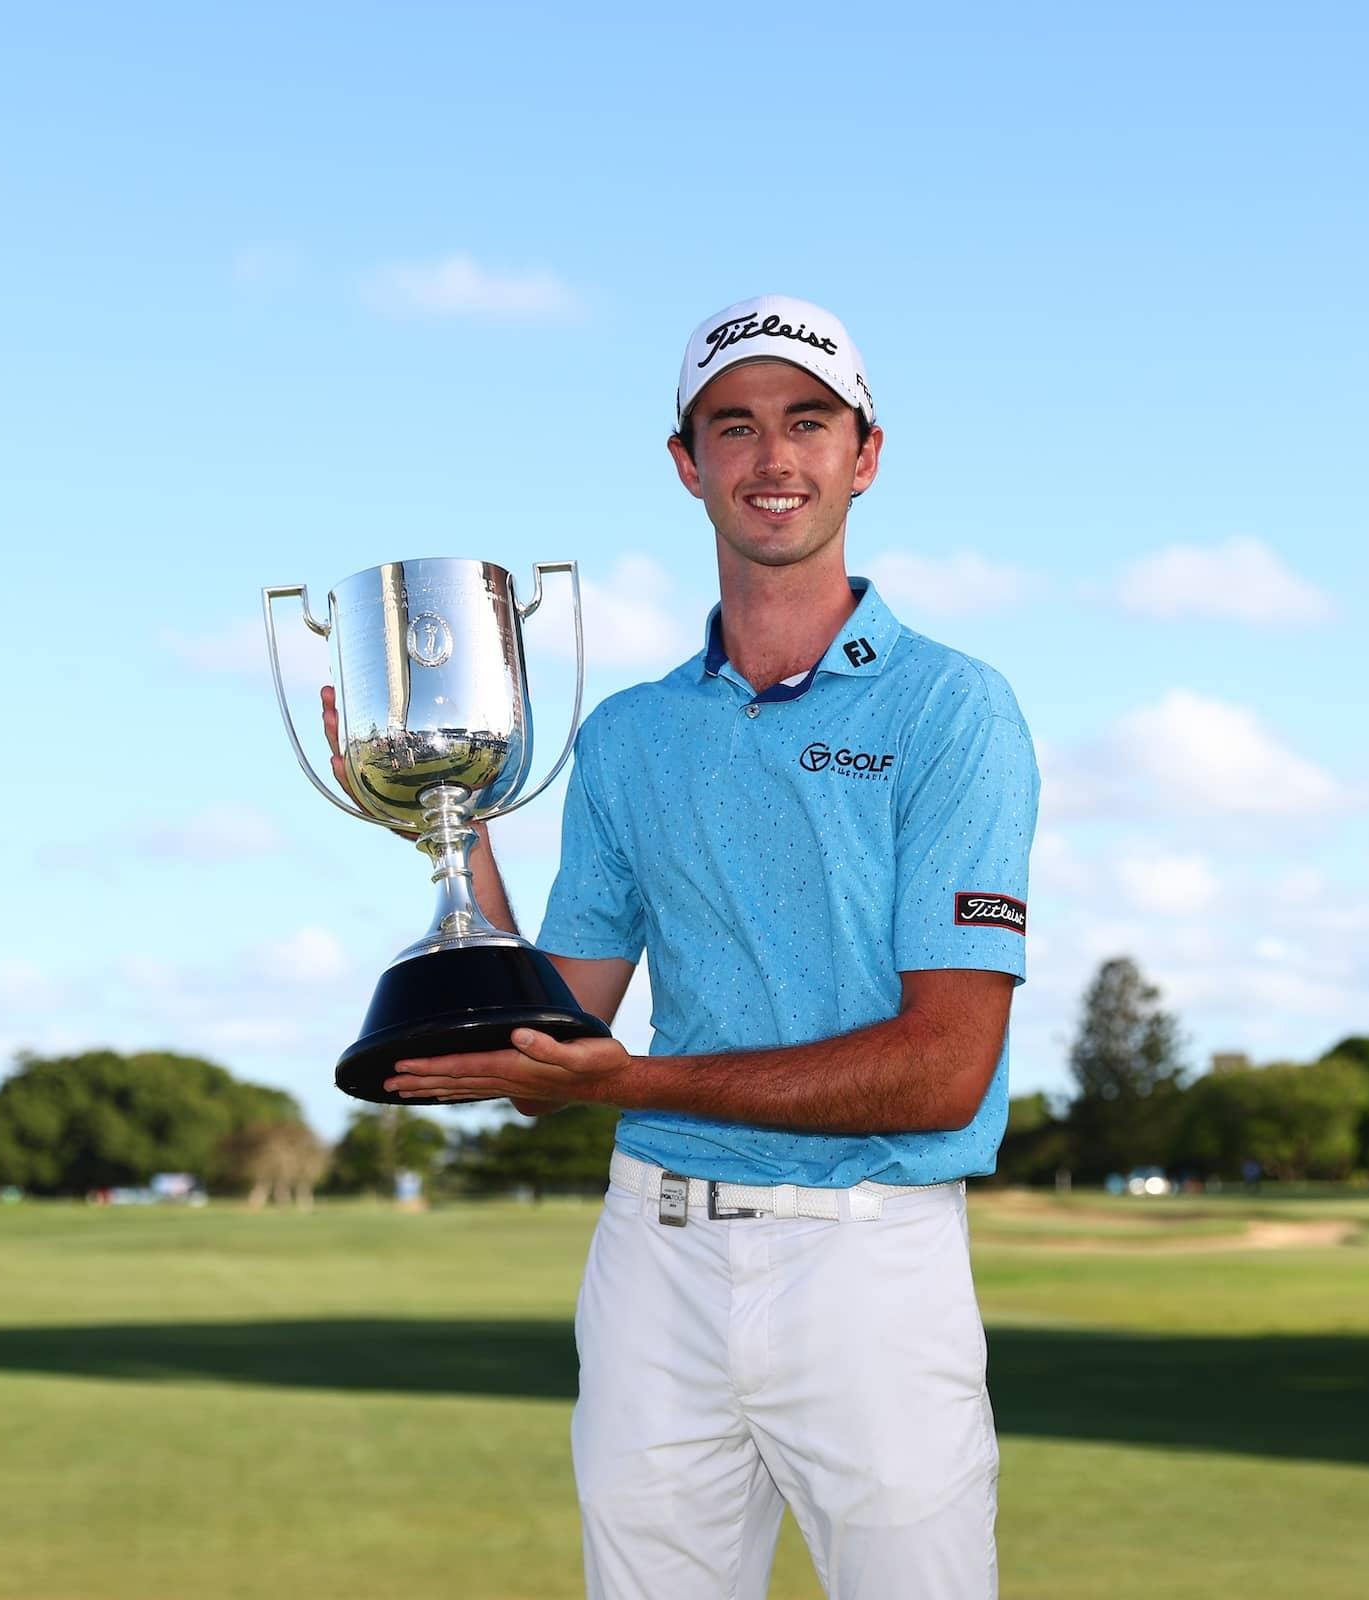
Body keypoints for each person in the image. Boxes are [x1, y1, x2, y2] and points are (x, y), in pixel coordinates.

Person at [360, 294, 1038, 1599]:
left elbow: (943, 1069)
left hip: (871, 1260)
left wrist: (627, 1084)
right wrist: (447, 816)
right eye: (734, 427)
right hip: (653, 1260)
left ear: (866, 453)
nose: (771, 458)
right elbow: (559, 1017)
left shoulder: (954, 708)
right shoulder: (626, 736)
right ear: (686, 463)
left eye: (807, 422)